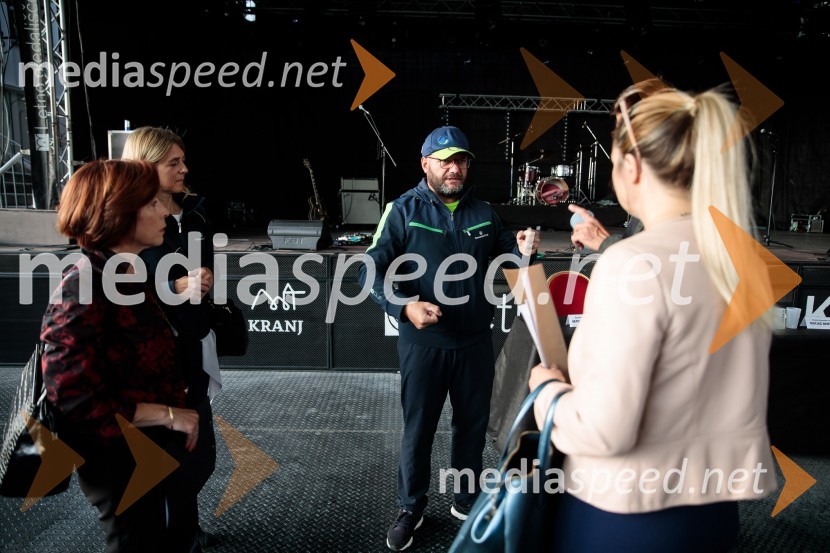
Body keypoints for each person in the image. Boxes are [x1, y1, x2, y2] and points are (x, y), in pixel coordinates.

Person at [528, 84, 777, 552]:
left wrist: (546, 391)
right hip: (715, 513)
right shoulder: (746, 261)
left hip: (624, 514)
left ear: (633, 166)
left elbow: (602, 431)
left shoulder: (632, 264)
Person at [358, 125, 539, 551]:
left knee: (471, 428)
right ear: (426, 165)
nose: (454, 168)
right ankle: (411, 507)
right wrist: (404, 306)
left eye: (461, 160)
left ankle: (465, 500)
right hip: (424, 345)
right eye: (445, 160)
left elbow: (509, 264)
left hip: (475, 342)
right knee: (418, 430)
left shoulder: (484, 212)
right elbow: (371, 269)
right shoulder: (402, 210)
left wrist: (525, 251)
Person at [42, 160, 201, 552]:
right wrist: (168, 415)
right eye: (151, 204)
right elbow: (75, 399)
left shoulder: (122, 273)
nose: (165, 210)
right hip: (123, 457)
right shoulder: (85, 283)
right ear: (117, 213)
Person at [122, 126, 218, 550]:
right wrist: (169, 288)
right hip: (154, 365)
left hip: (192, 349)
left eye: (183, 160)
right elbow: (117, 281)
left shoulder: (193, 210)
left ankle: (183, 526)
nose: (184, 169)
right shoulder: (125, 218)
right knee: (169, 469)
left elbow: (198, 267)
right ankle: (173, 533)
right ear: (145, 166)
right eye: (173, 163)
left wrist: (203, 281)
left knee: (199, 460)